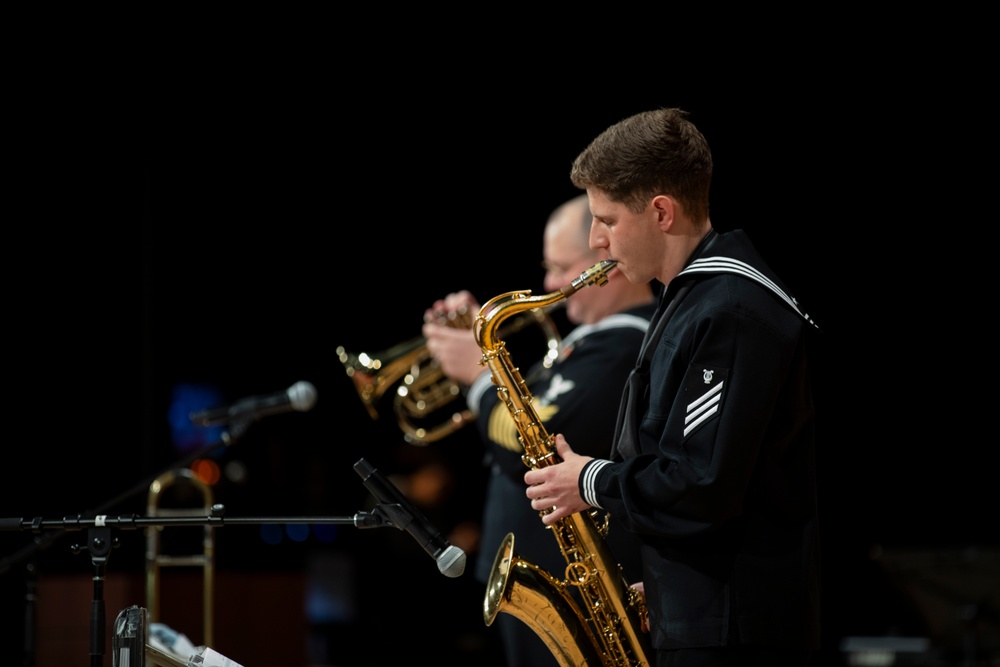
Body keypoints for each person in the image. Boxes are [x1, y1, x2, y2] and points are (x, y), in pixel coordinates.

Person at [523, 108, 823, 667]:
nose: (597, 241)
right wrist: (667, 591)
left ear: (660, 211)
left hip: (735, 636)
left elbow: (700, 483)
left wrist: (588, 481)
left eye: (606, 220)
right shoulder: (691, 299)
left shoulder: (730, 309)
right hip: (712, 620)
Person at [422, 193, 657, 667]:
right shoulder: (588, 342)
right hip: (552, 577)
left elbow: (534, 443)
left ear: (604, 261)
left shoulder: (624, 345)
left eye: (560, 267)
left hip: (575, 591)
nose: (548, 283)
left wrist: (478, 376)